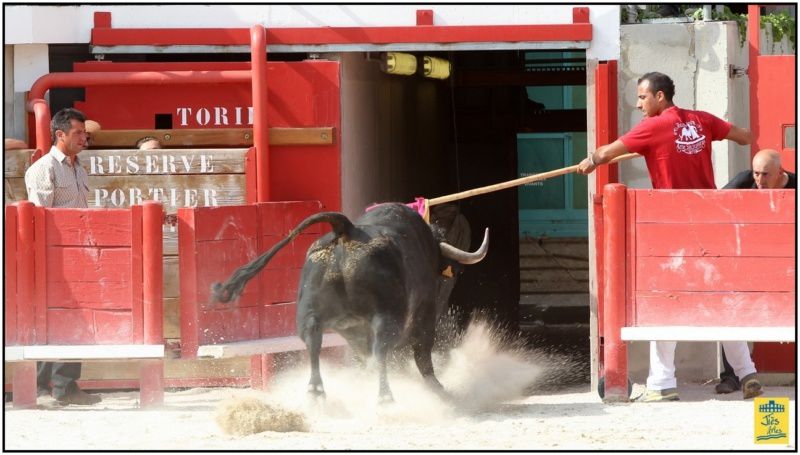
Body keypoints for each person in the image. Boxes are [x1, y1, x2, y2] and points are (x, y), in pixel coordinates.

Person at [576, 71, 762, 402]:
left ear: (660, 97)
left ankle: (662, 383)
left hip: (674, 223)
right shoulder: (702, 120)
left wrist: (589, 161)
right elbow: (745, 137)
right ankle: (747, 373)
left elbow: (605, 154)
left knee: (665, 299)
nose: (638, 104)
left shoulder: (652, 127)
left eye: (643, 97)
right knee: (720, 297)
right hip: (710, 218)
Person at [24, 107, 102, 406]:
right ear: (60, 135)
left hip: (78, 253)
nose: (84, 138)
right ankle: (43, 388)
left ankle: (66, 386)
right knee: (50, 317)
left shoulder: (79, 168)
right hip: (52, 254)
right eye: (78, 133)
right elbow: (40, 217)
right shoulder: (44, 169)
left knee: (75, 318)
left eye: (85, 133)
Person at [713, 149, 796, 394]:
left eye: (765, 175)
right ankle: (732, 376)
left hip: (788, 260)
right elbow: (713, 204)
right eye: (756, 173)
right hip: (747, 257)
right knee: (731, 305)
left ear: (781, 172)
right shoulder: (743, 180)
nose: (759, 180)